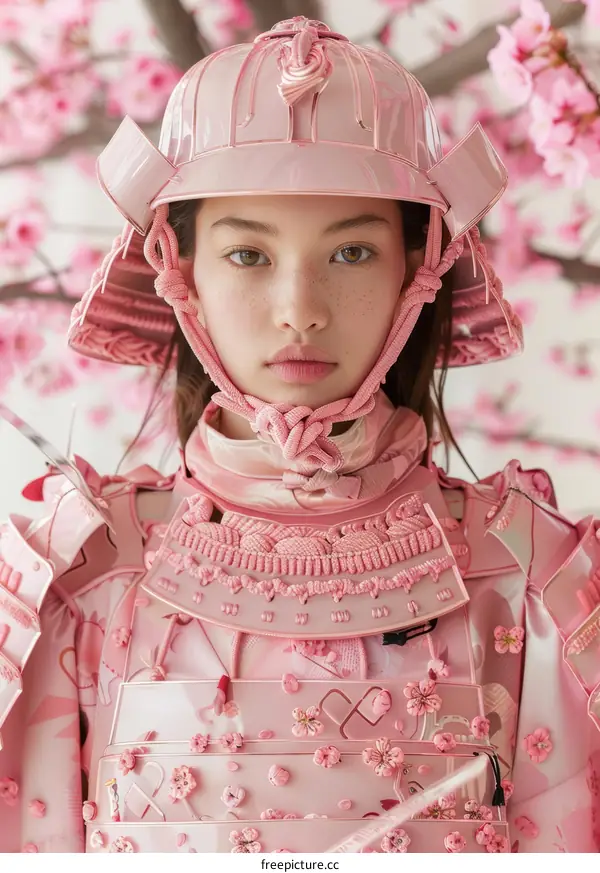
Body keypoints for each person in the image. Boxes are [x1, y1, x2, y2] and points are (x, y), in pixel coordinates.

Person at [0, 15, 598, 855]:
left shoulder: (531, 581)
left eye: (351, 252)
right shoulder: (82, 578)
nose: (300, 308)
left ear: (416, 271)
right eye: (248, 255)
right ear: (181, 272)